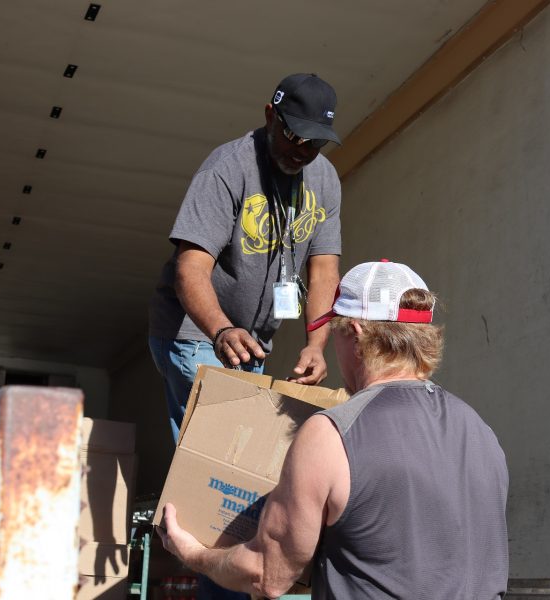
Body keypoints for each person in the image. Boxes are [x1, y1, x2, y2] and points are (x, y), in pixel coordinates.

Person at [157, 260, 510, 599]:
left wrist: (192, 552)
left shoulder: (332, 434)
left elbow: (268, 575)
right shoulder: (482, 434)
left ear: (355, 334)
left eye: (335, 331)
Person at [148, 73, 343, 442]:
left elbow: (324, 273)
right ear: (271, 115)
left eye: (316, 142)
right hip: (196, 334)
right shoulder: (226, 168)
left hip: (250, 344)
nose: (302, 150)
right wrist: (221, 330)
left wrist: (316, 345)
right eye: (294, 136)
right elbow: (190, 268)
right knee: (219, 458)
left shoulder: (325, 180)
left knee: (236, 459)